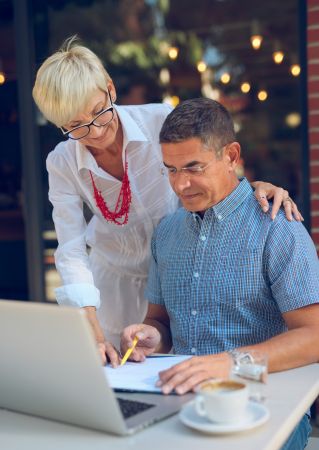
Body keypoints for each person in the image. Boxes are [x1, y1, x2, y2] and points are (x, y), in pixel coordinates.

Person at [32, 36, 302, 365]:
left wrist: (255, 187)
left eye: (98, 113)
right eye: (75, 126)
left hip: (182, 269)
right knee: (120, 370)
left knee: (188, 364)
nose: (95, 132)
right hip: (113, 283)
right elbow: (71, 247)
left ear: (110, 90)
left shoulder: (160, 120)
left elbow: (212, 160)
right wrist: (93, 331)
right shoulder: (62, 161)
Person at [121, 98, 319, 449]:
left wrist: (230, 364)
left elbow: (314, 335)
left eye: (193, 168)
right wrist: (151, 336)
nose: (181, 185)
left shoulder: (277, 227)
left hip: (268, 401)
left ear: (230, 155)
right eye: (171, 169)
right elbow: (159, 321)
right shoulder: (166, 232)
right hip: (180, 399)